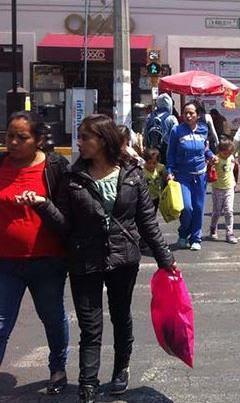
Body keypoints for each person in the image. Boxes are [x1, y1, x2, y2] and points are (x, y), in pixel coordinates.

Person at [21, 114, 176, 403]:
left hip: (123, 258)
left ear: (103, 141)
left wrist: (165, 259)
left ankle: (121, 368)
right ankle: (88, 382)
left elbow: (147, 223)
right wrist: (43, 205)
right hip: (84, 259)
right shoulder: (73, 177)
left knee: (120, 316)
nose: (79, 144)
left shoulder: (131, 173)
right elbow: (64, 224)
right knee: (90, 325)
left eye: (84, 138)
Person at [0, 112, 70, 395]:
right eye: (9, 136)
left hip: (47, 261)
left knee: (52, 316)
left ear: (39, 140)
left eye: (22, 137)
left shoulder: (55, 167)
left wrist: (42, 203)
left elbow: (67, 216)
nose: (13, 142)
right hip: (5, 262)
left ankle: (58, 367)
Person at [167, 100, 217, 251]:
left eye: (191, 113)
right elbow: (171, 154)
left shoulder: (203, 129)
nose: (188, 116)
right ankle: (183, 234)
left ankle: (196, 238)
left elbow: (205, 149)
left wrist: (211, 156)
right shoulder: (176, 131)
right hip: (182, 176)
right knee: (187, 208)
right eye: (185, 113)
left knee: (198, 208)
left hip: (200, 176)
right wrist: (169, 172)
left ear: (198, 115)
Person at [208, 138, 238, 243]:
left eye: (229, 152)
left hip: (229, 187)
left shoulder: (231, 157)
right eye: (225, 152)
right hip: (218, 188)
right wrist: (211, 163)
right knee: (217, 211)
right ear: (220, 150)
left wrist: (235, 182)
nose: (227, 154)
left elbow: (234, 168)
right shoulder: (216, 159)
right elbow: (209, 167)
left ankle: (229, 233)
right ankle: (213, 227)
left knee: (229, 211)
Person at [143, 93, 179, 161]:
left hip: (152, 152)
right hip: (167, 152)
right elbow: (176, 136)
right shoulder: (171, 118)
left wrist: (147, 147)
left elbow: (145, 135)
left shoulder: (150, 117)